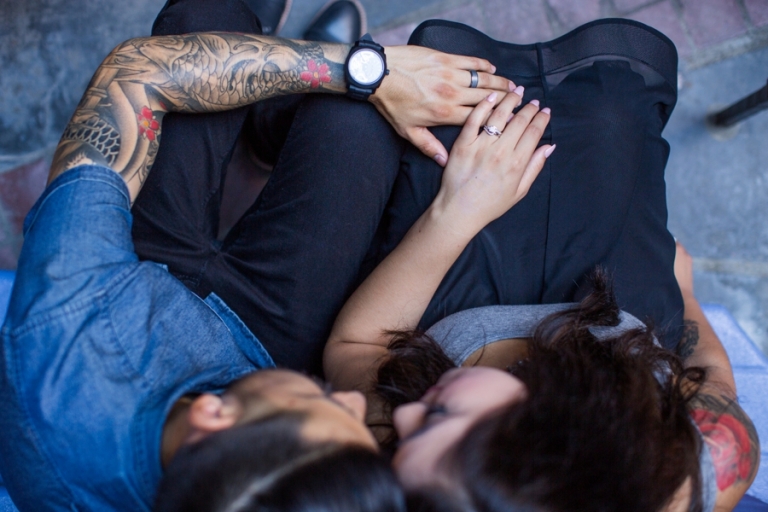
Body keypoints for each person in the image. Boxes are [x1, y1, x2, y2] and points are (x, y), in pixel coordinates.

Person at [0, 0, 518, 510]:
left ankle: (273, 84)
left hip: (134, 283)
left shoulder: (65, 321)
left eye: (318, 398)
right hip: (264, 349)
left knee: (205, 18)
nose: (355, 400)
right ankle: (271, 121)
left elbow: (133, 76)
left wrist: (367, 70)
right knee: (357, 119)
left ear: (212, 417)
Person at [323, 19, 760, 511]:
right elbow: (714, 380)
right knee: (612, 104)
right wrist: (688, 296)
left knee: (457, 113)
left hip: (449, 315)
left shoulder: (415, 464)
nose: (400, 423)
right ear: (554, 442)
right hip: (624, 317)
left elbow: (355, 344)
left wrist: (457, 213)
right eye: (436, 415)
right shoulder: (699, 467)